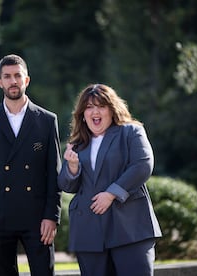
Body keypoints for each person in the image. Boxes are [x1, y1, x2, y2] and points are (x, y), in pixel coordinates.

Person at [0, 54, 62, 276]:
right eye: (7, 76)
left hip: (37, 217)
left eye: (17, 76)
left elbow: (54, 173)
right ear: (0, 82)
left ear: (26, 80)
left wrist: (52, 215)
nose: (13, 81)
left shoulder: (47, 121)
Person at [58, 84, 162, 276]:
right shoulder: (77, 144)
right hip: (89, 234)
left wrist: (112, 193)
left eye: (101, 106)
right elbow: (66, 185)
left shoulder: (131, 131)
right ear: (82, 114)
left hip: (129, 229)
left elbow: (143, 165)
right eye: (89, 107)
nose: (95, 111)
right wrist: (72, 168)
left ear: (112, 109)